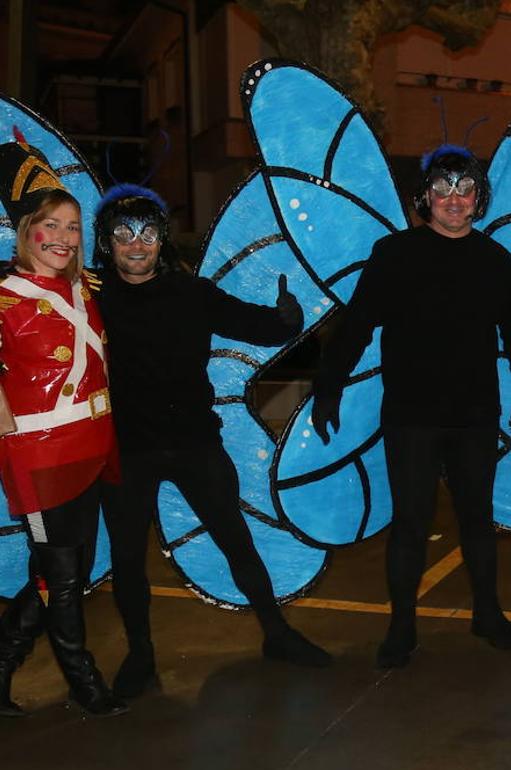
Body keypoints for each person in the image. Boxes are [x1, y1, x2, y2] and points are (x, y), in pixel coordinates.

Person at [312, 146, 511, 667]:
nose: (453, 200)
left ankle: (487, 614)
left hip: (474, 416)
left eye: (465, 190)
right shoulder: (393, 254)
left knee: (478, 521)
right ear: (425, 196)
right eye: (442, 189)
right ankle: (401, 626)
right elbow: (356, 325)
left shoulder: (496, 261)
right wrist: (328, 385)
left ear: (478, 199)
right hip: (411, 416)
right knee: (411, 524)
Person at [93, 184, 332, 700]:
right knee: (128, 557)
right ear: (106, 242)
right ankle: (141, 655)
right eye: (123, 234)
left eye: (148, 233)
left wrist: (290, 313)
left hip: (194, 441)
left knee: (236, 539)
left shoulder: (191, 293)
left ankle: (277, 633)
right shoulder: (91, 299)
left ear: (162, 239)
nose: (136, 245)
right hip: (124, 449)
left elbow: (261, 327)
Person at [0, 135, 127, 717]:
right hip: (41, 457)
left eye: (73, 226)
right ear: (27, 231)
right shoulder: (3, 296)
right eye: (50, 224)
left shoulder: (84, 287)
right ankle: (85, 685)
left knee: (58, 573)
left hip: (92, 446)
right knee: (65, 575)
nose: (64, 237)